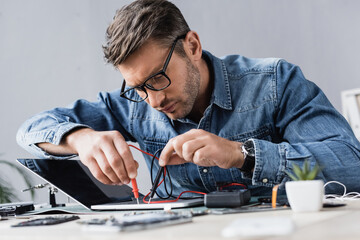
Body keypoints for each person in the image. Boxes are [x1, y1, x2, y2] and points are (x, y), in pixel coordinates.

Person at [17, 0, 360, 197]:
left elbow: (350, 165)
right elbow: (30, 131)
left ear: (192, 46)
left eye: (158, 78)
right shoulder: (131, 105)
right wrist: (81, 138)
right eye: (138, 87)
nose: (151, 100)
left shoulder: (275, 82)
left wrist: (240, 154)